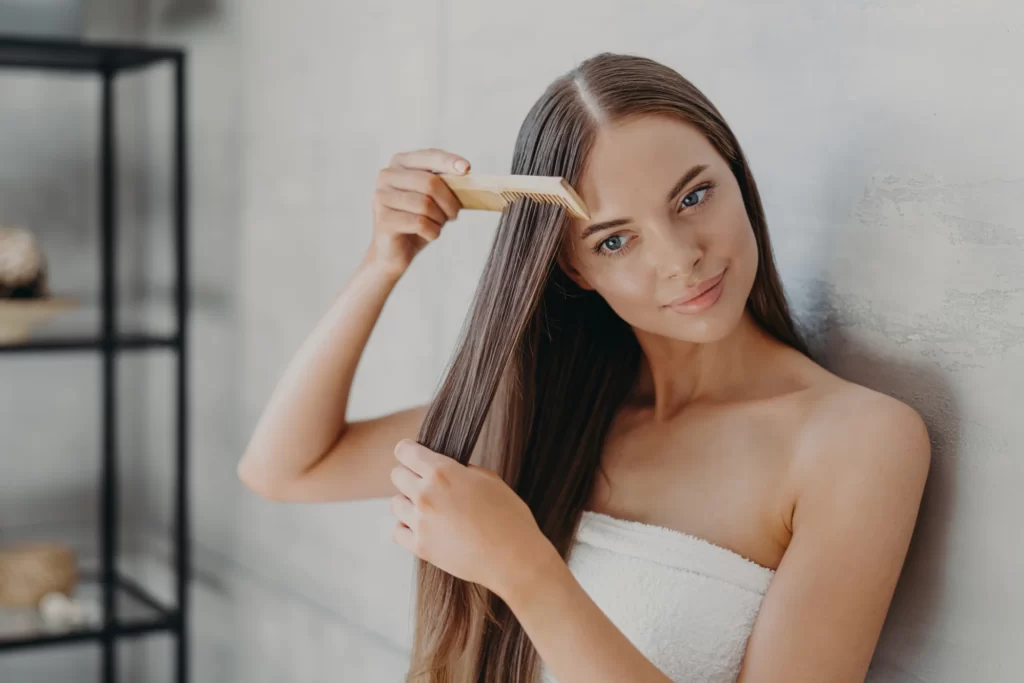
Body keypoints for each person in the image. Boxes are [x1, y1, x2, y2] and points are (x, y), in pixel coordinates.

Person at [237, 53, 932, 683]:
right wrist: (382, 261)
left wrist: (525, 569)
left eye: (693, 197)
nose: (679, 258)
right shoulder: (543, 411)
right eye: (616, 240)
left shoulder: (855, 442)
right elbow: (286, 468)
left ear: (737, 175)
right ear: (574, 268)